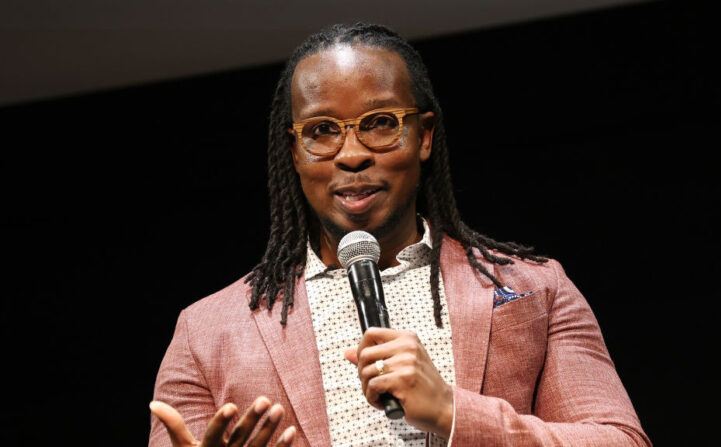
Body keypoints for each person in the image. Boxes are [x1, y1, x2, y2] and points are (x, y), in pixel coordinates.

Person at [149, 23, 651, 447]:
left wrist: (454, 412)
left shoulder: (535, 289)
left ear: (424, 135)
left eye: (380, 123)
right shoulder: (207, 332)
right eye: (322, 131)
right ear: (295, 151)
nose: (351, 154)